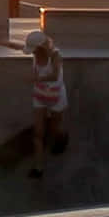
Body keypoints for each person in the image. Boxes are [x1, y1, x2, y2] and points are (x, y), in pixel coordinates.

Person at [24, 29, 68, 178]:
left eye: (34, 50)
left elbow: (55, 75)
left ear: (41, 47)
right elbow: (17, 46)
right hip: (40, 96)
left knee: (55, 129)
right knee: (38, 133)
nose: (33, 54)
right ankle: (38, 168)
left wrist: (37, 80)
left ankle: (61, 137)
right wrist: (1, 42)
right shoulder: (35, 54)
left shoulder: (55, 55)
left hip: (56, 96)